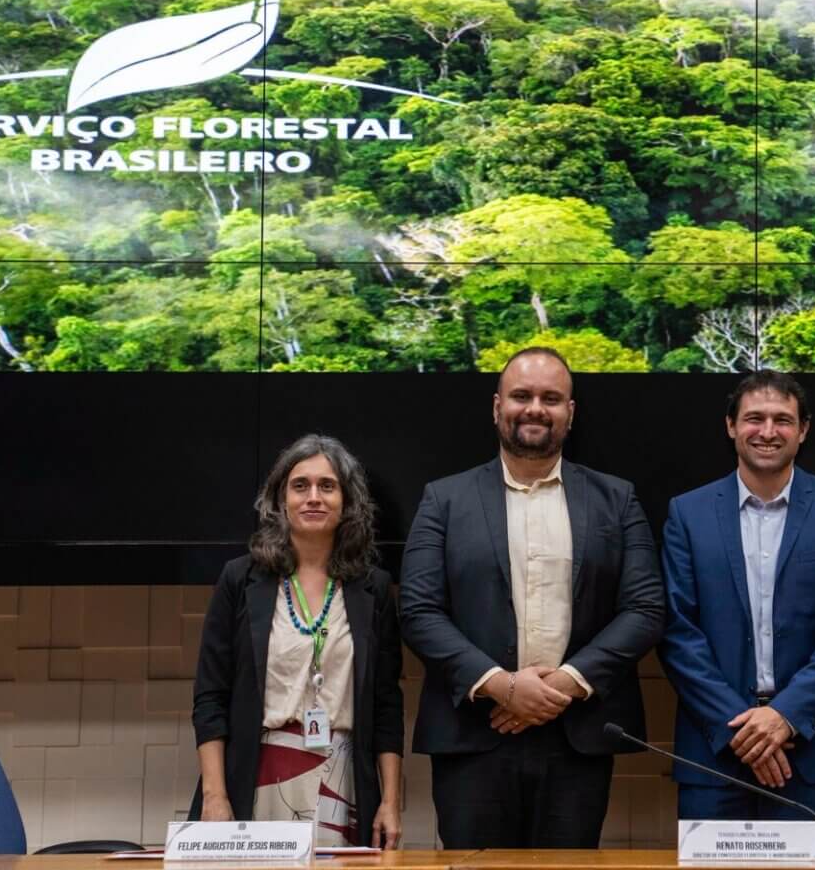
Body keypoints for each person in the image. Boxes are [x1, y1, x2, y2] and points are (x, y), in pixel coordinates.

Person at [400, 347, 665, 848]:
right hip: (474, 736)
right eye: (522, 396)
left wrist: (563, 684)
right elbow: (418, 611)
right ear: (497, 407)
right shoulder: (444, 499)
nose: (535, 408)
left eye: (551, 398)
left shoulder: (617, 498)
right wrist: (501, 686)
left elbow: (645, 609)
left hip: (577, 738)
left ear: (570, 412)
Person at [658, 371, 815, 829]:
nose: (768, 431)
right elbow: (677, 629)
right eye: (754, 418)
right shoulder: (687, 512)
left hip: (810, 750)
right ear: (731, 426)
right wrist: (742, 731)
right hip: (714, 751)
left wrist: (784, 716)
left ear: (803, 430)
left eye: (783, 419)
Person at [191, 435, 403, 848]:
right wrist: (216, 796)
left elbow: (386, 706)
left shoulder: (373, 589)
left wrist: (391, 801)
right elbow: (210, 698)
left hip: (344, 780)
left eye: (327, 486)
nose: (314, 497)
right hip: (257, 776)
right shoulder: (239, 579)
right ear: (280, 499)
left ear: (347, 502)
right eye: (300, 485)